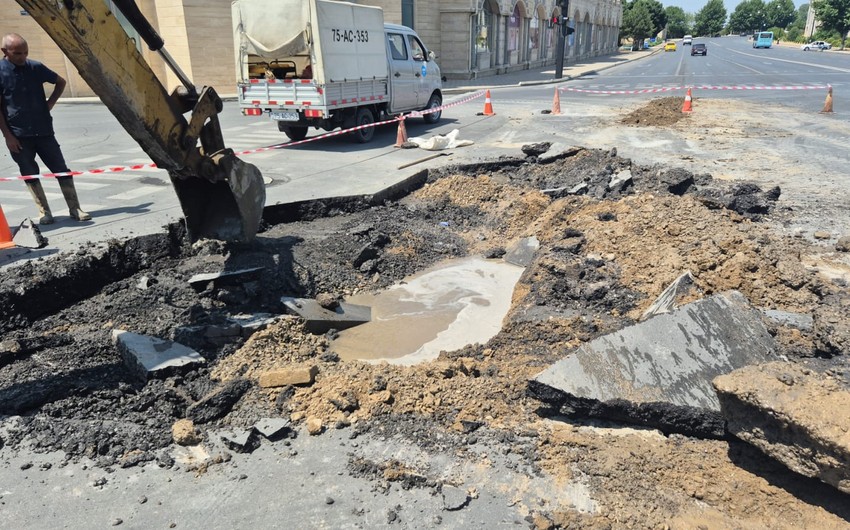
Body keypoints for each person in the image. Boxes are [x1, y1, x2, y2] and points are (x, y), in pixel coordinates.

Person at [0, 33, 90, 224]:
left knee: (61, 169)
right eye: (17, 53)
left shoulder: (36, 67)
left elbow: (60, 81)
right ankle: (44, 212)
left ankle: (75, 208)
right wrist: (8, 136)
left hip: (44, 131)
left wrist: (50, 103)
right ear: (4, 52)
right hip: (19, 135)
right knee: (29, 172)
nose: (22, 57)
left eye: (25, 52)